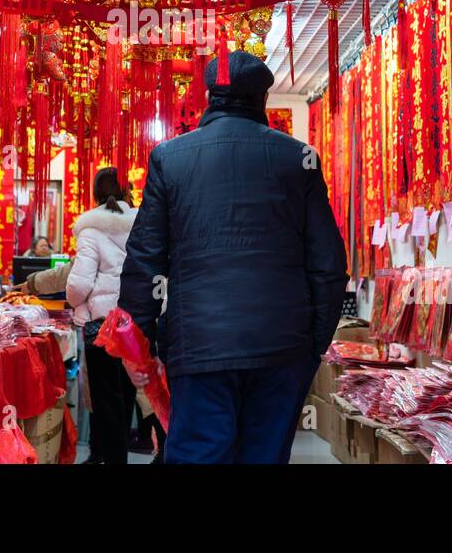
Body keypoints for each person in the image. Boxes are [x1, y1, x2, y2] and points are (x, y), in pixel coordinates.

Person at [119, 50, 347, 464]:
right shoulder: (299, 160)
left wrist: (139, 346)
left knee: (199, 456)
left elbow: (144, 259)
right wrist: (312, 343)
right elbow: (329, 266)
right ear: (263, 99)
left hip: (199, 347)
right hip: (282, 348)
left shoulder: (170, 158)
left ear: (210, 96)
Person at [65, 167, 140, 464]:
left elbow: (79, 283)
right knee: (127, 393)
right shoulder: (142, 225)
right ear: (126, 192)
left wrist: (76, 303)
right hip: (137, 321)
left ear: (95, 194)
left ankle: (112, 459)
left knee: (106, 399)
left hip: (103, 326)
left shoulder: (91, 229)